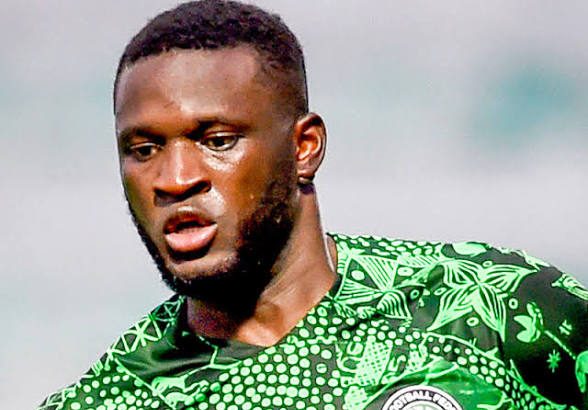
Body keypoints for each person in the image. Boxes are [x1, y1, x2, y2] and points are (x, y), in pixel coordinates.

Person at [38, 1, 588, 409]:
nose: (175, 179)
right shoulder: (116, 400)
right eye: (144, 149)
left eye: (218, 141)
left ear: (304, 148)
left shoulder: (493, 309)